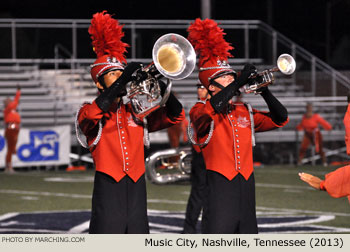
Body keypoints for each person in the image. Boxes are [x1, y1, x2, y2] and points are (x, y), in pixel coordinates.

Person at [76, 11, 185, 234]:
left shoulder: (136, 111)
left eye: (120, 72)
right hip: (109, 190)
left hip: (137, 189)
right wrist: (125, 77)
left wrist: (160, 84)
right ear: (99, 83)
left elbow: (176, 115)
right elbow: (90, 117)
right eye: (112, 74)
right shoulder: (88, 110)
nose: (119, 76)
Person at [187, 18, 289, 234]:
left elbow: (281, 118)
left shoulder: (245, 112)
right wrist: (238, 82)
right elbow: (211, 109)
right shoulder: (199, 110)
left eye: (231, 77)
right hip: (219, 189)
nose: (231, 80)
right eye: (225, 78)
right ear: (211, 86)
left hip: (246, 187)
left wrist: (265, 91)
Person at [299, 92, 350, 203]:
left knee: (319, 149)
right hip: (308, 134)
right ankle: (299, 162)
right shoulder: (305, 117)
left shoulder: (315, 116)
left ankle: (323, 161)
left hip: (315, 133)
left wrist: (323, 184)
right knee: (303, 148)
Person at [183, 83, 210, 234]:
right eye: (199, 87)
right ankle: (189, 229)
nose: (200, 90)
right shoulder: (198, 108)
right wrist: (198, 150)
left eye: (203, 87)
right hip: (201, 155)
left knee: (212, 194)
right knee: (198, 194)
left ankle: (208, 227)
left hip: (213, 155)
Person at [3, 86, 21, 173]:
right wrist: (18, 92)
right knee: (10, 149)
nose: (10, 102)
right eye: (8, 101)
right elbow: (15, 102)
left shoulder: (13, 110)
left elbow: (15, 103)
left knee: (12, 148)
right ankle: (8, 166)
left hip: (15, 130)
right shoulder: (7, 110)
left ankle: (9, 165)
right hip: (10, 129)